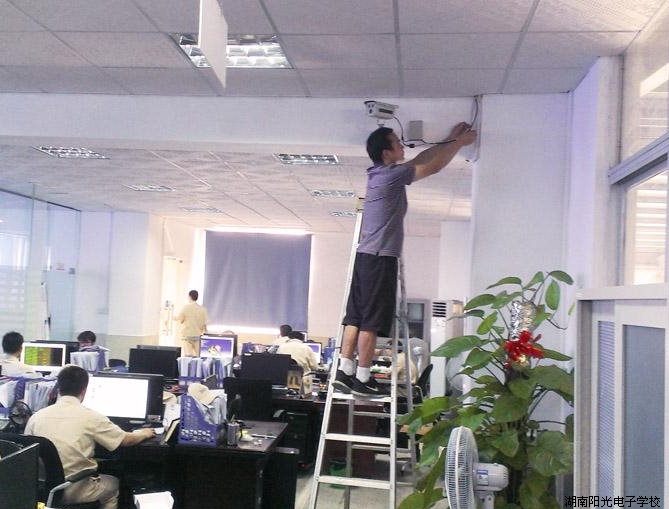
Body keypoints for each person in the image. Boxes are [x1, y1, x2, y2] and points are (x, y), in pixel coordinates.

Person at [333, 122, 476, 397]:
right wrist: (460, 143)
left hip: (366, 257)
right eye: (397, 143)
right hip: (380, 258)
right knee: (370, 322)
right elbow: (432, 167)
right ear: (386, 152)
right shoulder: (391, 175)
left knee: (356, 318)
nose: (402, 146)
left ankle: (345, 370)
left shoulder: (381, 173)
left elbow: (421, 159)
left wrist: (449, 138)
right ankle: (363, 378)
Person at [24, 365, 155, 509]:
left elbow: (27, 455)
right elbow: (125, 440)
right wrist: (144, 433)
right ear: (84, 390)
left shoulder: (36, 417)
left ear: (58, 388)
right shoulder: (91, 417)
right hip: (73, 488)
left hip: (40, 491)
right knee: (113, 485)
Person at [174, 290, 209, 356]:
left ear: (189, 297)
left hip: (187, 336)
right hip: (198, 336)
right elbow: (205, 325)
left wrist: (172, 317)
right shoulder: (203, 309)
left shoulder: (186, 308)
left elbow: (180, 320)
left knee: (188, 357)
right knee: (199, 356)